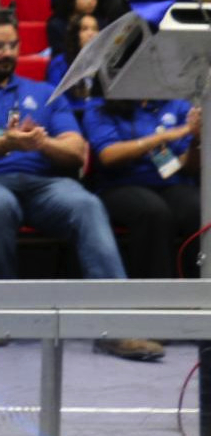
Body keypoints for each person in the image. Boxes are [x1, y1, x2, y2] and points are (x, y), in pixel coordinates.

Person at [0, 11, 158, 360]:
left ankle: (115, 326)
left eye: (13, 45)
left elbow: (76, 150)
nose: (7, 53)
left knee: (86, 204)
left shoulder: (45, 92)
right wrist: (4, 144)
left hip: (43, 184)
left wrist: (41, 143)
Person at [85, 97, 201, 297]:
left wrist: (196, 140)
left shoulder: (177, 105)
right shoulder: (100, 106)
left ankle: (198, 292)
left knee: (198, 209)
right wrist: (161, 137)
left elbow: (188, 166)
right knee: (153, 212)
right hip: (120, 184)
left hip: (172, 182)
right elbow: (108, 155)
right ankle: (155, 297)